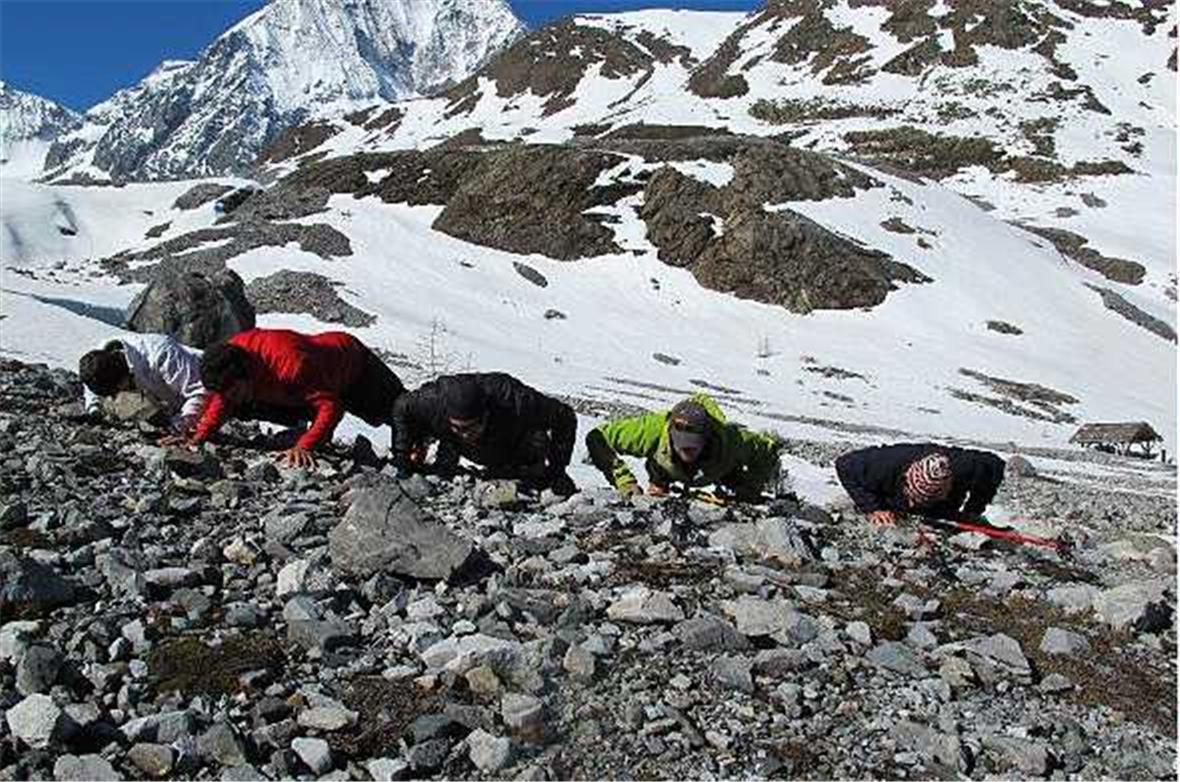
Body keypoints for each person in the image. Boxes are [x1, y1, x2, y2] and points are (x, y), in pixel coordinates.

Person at [187, 328, 404, 467]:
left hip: (355, 368)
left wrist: (304, 446)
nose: (229, 398)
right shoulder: (231, 358)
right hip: (301, 384)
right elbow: (222, 399)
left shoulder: (290, 365)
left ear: (244, 375)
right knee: (244, 404)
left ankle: (415, 457)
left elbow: (331, 406)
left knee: (398, 411)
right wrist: (198, 436)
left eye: (234, 392)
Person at [391, 372, 578, 495]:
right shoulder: (432, 400)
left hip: (512, 443)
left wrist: (557, 469)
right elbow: (401, 407)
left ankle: (528, 472)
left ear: (485, 413)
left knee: (534, 447)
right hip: (456, 441)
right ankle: (446, 465)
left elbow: (565, 416)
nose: (465, 433)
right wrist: (403, 458)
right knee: (446, 446)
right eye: (459, 427)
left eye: (470, 427)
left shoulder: (515, 399)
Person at [586, 394, 782, 502]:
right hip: (665, 470)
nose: (687, 451)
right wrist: (624, 480)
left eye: (693, 447)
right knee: (661, 465)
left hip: (720, 471)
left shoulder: (732, 440)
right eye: (682, 446)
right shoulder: (652, 429)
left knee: (735, 479)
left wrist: (751, 488)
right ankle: (658, 488)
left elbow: (768, 451)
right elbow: (599, 437)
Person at [834, 443, 1005, 527]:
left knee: (951, 518)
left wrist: (973, 510)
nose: (913, 503)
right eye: (915, 498)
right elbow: (842, 465)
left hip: (946, 498)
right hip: (889, 489)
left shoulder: (965, 466)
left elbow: (995, 464)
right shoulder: (881, 464)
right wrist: (873, 507)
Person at [79, 333, 207, 435]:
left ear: (123, 376)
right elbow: (91, 383)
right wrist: (93, 409)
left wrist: (179, 426)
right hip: (172, 399)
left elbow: (200, 391)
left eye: (116, 390)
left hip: (214, 381)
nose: (115, 396)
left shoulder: (162, 355)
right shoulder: (102, 355)